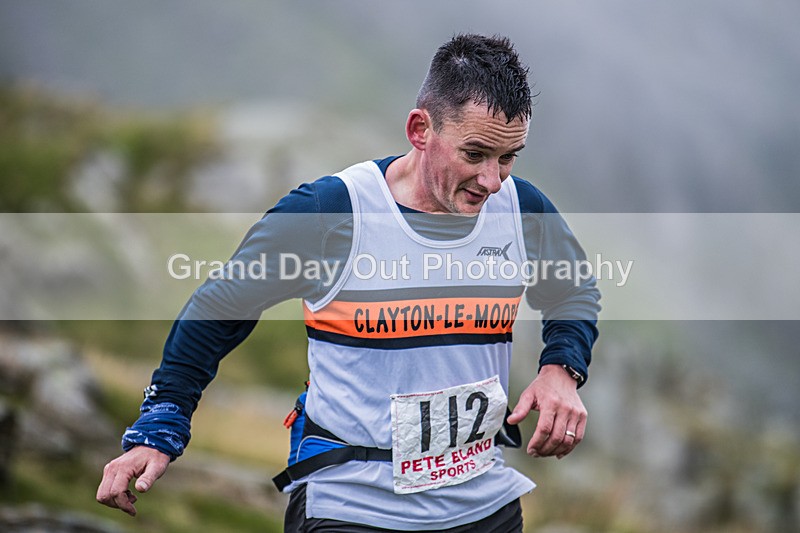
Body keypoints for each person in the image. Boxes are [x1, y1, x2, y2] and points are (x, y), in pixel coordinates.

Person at [97, 33, 600, 532]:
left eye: (508, 157)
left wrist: (562, 367)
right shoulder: (332, 211)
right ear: (420, 129)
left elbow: (573, 287)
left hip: (481, 504)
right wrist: (163, 421)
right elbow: (220, 306)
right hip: (351, 505)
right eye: (475, 154)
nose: (492, 180)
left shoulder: (522, 206)